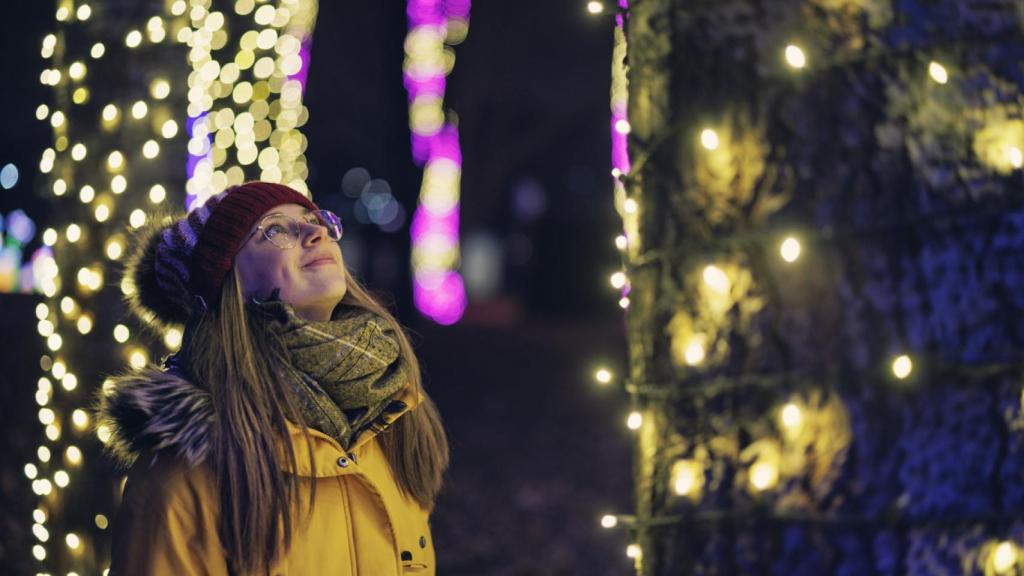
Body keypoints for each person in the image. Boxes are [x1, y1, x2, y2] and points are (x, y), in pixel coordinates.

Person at [95, 181, 449, 575]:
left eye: (316, 221)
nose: (315, 233)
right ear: (228, 285)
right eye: (275, 230)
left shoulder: (392, 412)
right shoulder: (188, 470)